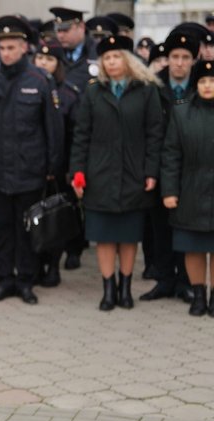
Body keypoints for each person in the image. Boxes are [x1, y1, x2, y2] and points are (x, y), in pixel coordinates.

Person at [0, 16, 63, 305]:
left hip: (30, 169)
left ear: (24, 47)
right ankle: (4, 281)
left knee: (26, 230)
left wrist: (52, 167)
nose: (7, 53)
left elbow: (53, 128)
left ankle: (25, 281)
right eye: (3, 48)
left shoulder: (40, 81)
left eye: (12, 47)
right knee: (3, 229)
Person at [70, 35, 163, 311]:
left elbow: (155, 134)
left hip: (134, 175)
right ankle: (108, 289)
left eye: (116, 56)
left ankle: (126, 287)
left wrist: (151, 171)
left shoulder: (146, 91)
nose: (111, 62)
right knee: (105, 235)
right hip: (100, 175)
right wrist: (77, 172)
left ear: (127, 60)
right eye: (106, 58)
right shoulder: (93, 92)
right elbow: (81, 136)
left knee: (128, 235)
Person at [141, 31, 199, 303]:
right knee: (160, 228)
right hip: (160, 166)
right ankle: (164, 279)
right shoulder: (153, 85)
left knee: (186, 229)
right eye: (174, 57)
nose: (179, 63)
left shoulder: (202, 86)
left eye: (185, 57)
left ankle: (185, 282)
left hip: (191, 170)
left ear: (194, 59)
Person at [161, 60, 214, 316]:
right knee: (194, 247)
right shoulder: (181, 113)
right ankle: (199, 295)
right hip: (190, 190)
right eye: (203, 81)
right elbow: (171, 155)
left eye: (212, 81)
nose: (208, 86)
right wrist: (169, 191)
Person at [32, 39, 83, 287]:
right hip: (32, 166)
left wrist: (68, 169)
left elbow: (75, 136)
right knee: (34, 219)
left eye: (49, 59)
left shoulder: (68, 94)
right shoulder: (29, 86)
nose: (43, 63)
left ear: (59, 64)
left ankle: (53, 265)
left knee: (56, 218)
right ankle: (35, 265)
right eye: (39, 59)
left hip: (59, 168)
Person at [50, 7, 99, 90]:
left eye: (65, 30)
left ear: (81, 27)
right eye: (58, 31)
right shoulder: (53, 51)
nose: (60, 36)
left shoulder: (97, 51)